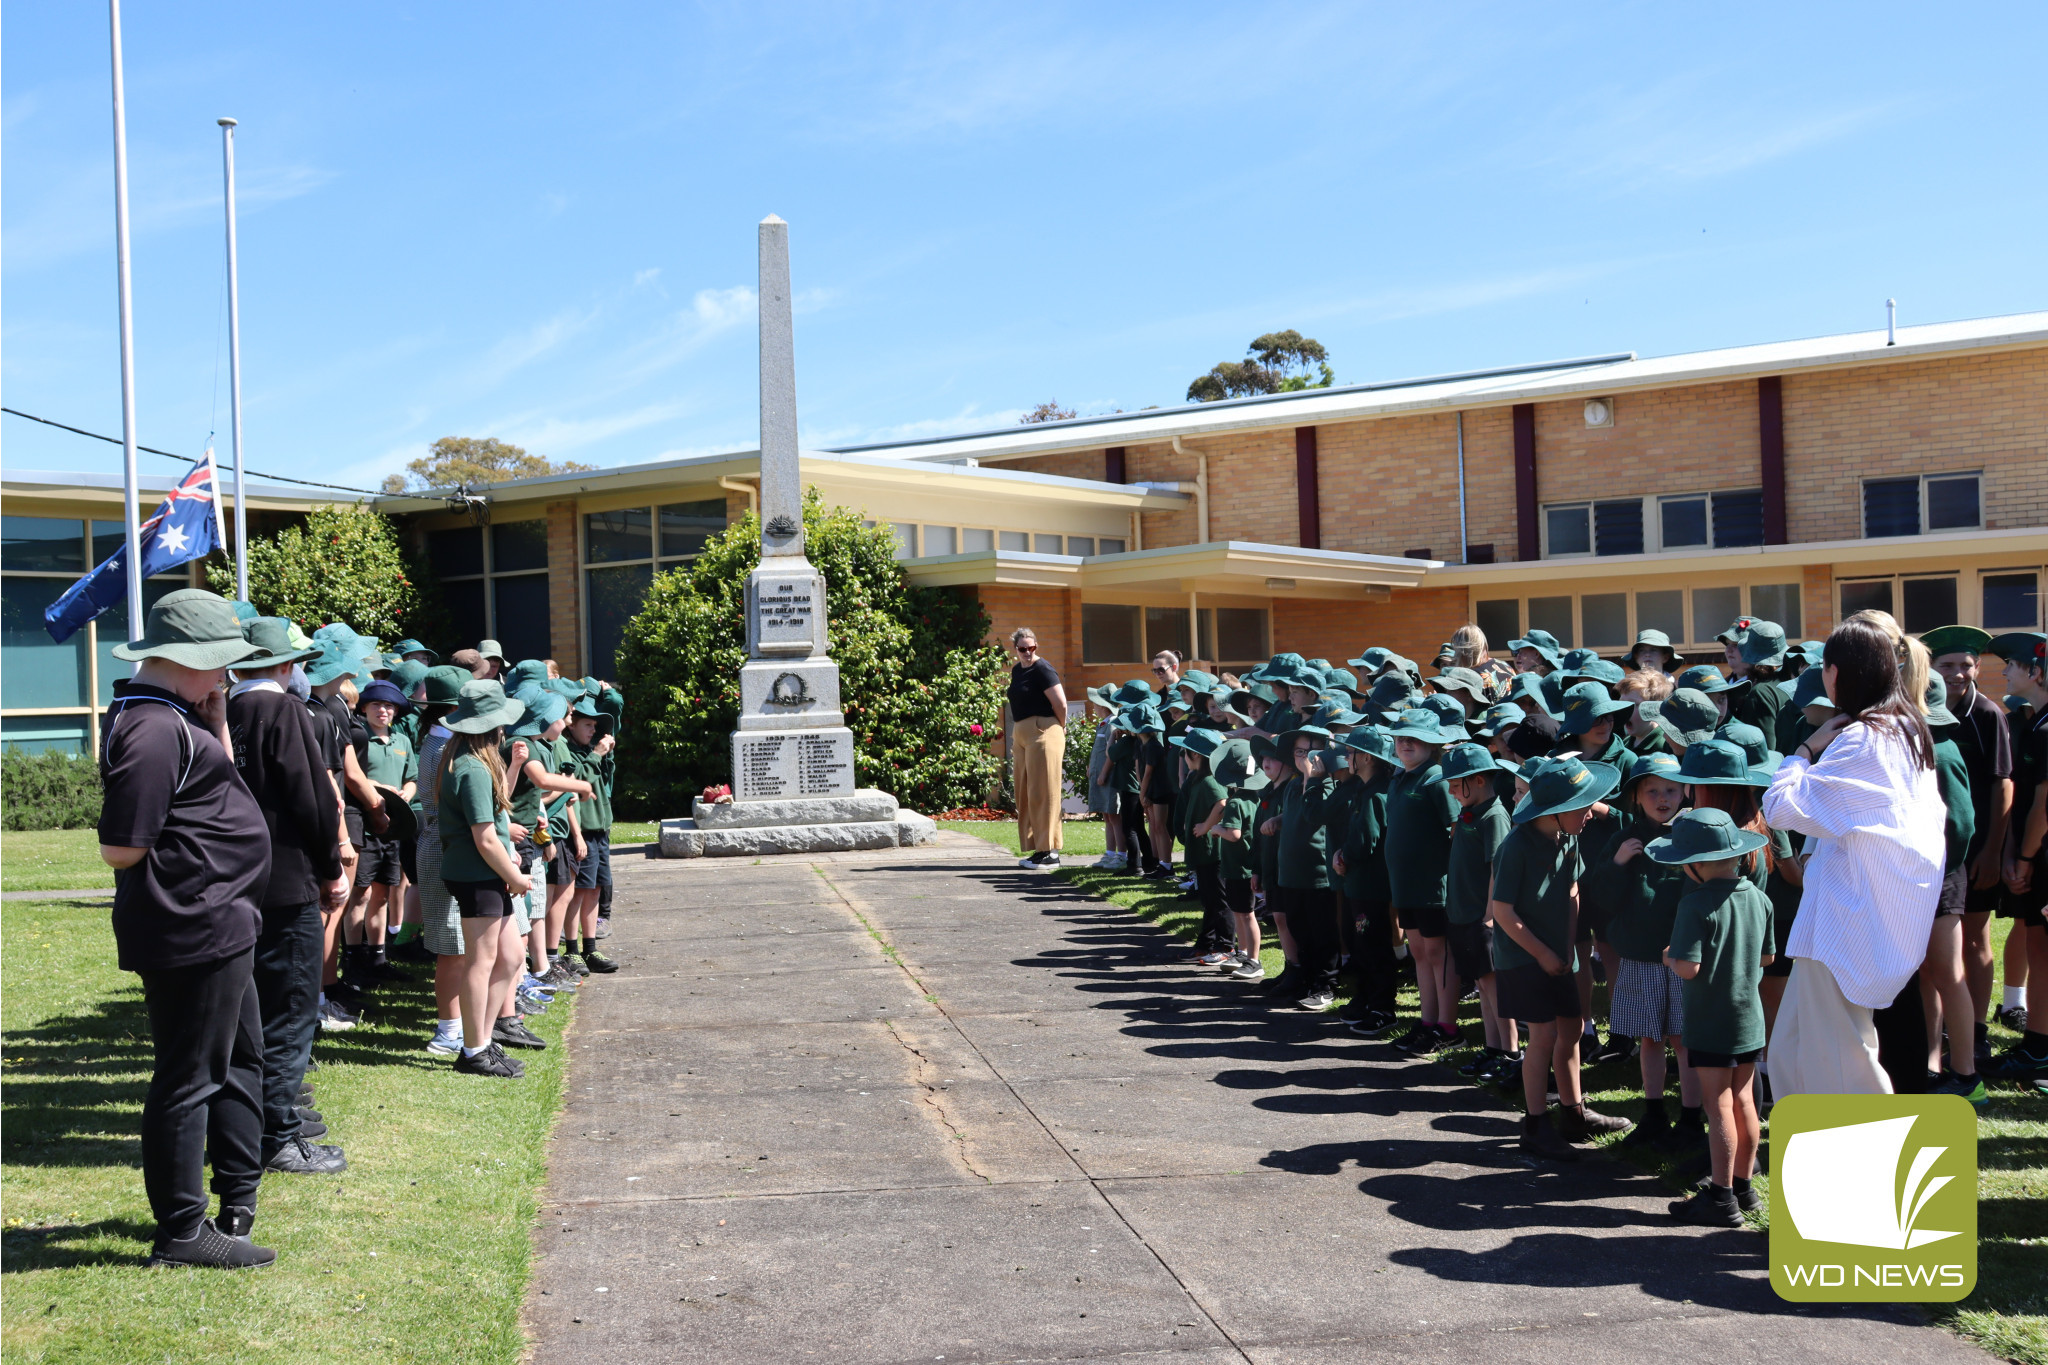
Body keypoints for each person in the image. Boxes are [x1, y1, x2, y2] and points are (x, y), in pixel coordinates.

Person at [98, 590, 277, 1267]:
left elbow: (218, 781)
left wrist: (216, 714)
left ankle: (235, 1198)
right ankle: (180, 1229)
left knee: (236, 1060)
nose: (227, 677)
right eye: (220, 664)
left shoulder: (178, 711)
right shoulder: (149, 726)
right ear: (185, 659)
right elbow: (122, 845)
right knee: (190, 1074)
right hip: (192, 923)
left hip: (220, 920)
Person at [1760, 611, 1944, 1097]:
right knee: (1792, 1052)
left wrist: (1804, 750)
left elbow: (1779, 807)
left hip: (1848, 923)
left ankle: (1866, 1161)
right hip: (1861, 917)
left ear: (1836, 673)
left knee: (1838, 1061)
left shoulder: (1864, 739)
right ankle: (1818, 1156)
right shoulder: (1907, 731)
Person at [226, 618, 351, 1177]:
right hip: (286, 879)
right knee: (290, 1008)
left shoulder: (219, 709)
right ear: (284, 665)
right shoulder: (282, 711)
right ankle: (277, 1132)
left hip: (233, 883)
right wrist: (331, 867)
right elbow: (314, 800)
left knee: (249, 1012)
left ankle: (253, 1123)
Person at [1490, 755, 1630, 1160]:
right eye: (1583, 808)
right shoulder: (1516, 847)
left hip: (1558, 955)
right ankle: (1535, 1125)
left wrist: (1567, 949)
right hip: (1521, 958)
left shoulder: (1568, 839)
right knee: (1544, 1037)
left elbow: (1572, 890)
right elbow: (1503, 912)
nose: (1590, 814)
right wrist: (1543, 953)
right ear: (1556, 812)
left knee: (1572, 1030)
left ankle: (1574, 1112)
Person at [1651, 808, 1775, 1227]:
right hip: (1749, 1019)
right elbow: (1768, 957)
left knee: (1716, 1104)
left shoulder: (1695, 904)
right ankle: (1745, 1188)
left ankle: (1720, 1197)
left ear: (1695, 864)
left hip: (1710, 1020)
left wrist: (1669, 957)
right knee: (1744, 1102)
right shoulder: (1759, 898)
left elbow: (1689, 967)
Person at [1592, 751, 1699, 1149]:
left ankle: (1690, 1118)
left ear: (1686, 791)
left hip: (1683, 958)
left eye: (1670, 789)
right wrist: (1618, 864)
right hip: (1639, 956)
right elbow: (1603, 900)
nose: (1662, 798)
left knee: (1683, 1039)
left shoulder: (1692, 835)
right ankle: (1653, 1113)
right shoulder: (1625, 839)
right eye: (1652, 790)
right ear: (1636, 796)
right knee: (1650, 1039)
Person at [1923, 625, 2016, 1065]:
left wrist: (1992, 850)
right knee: (1934, 954)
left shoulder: (1988, 714)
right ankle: (1936, 1039)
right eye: (1948, 666)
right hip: (1928, 851)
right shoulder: (1924, 711)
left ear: (1978, 667)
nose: (1959, 674)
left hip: (1970, 851)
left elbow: (2003, 785)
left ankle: (1975, 1032)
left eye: (1966, 665)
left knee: (1973, 941)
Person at [436, 681, 532, 1076]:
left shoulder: (468, 758)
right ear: (492, 727)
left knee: (510, 957)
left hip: (483, 872)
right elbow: (485, 837)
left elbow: (493, 824)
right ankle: (473, 1051)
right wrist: (516, 876)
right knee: (482, 960)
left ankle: (483, 1041)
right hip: (476, 874)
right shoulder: (472, 766)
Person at [1984, 631, 2048, 1085]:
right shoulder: (2037, 722)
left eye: (2013, 664)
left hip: (2043, 857)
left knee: (2044, 953)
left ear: (2037, 672)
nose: (2005, 671)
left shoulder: (2045, 728)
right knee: (2039, 951)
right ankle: (2038, 1047)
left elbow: (2044, 802)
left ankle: (2040, 1051)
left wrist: (2024, 857)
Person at [1384, 707, 1465, 1052]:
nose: (1405, 743)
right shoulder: (1399, 777)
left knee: (1437, 951)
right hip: (1406, 885)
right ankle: (1427, 1020)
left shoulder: (1436, 777)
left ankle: (1448, 1027)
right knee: (1418, 950)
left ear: (1432, 744)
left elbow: (1456, 827)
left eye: (1414, 738)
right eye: (1401, 737)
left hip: (1434, 884)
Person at [1921, 679, 1987, 1104]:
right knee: (1925, 974)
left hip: (1942, 876)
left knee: (1948, 973)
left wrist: (1942, 864)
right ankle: (1931, 1063)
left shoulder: (1942, 753)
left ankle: (1966, 1073)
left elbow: (1962, 824)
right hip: (1922, 875)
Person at [1443, 743, 1518, 1082]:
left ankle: (1511, 1052)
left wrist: (1490, 917)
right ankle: (1492, 1048)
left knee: (1496, 988)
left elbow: (1497, 869)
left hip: (1481, 916)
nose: (1451, 790)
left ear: (1476, 780)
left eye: (1456, 783)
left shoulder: (1494, 815)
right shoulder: (1469, 813)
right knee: (1482, 987)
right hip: (1462, 913)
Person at [346, 679, 417, 983]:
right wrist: (377, 789)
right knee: (359, 894)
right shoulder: (359, 737)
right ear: (364, 708)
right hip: (366, 826)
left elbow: (412, 778)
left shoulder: (402, 741)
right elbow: (352, 777)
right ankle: (353, 958)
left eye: (389, 706)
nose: (383, 711)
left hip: (394, 828)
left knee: (384, 893)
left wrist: (406, 794)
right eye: (376, 705)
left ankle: (378, 957)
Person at [1275, 727, 1341, 1010]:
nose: (1306, 758)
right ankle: (1305, 976)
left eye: (1312, 753)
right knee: (1298, 927)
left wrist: (1312, 778)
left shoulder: (1326, 785)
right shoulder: (1291, 784)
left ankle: (1325, 984)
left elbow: (1317, 815)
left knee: (1322, 931)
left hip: (1317, 873)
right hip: (1291, 871)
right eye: (1300, 752)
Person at [561, 696, 621, 973]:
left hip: (599, 830)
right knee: (579, 891)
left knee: (596, 889)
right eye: (587, 724)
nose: (592, 730)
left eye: (594, 725)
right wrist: (596, 754)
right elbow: (575, 781)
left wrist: (603, 756)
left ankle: (590, 948)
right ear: (571, 725)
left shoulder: (590, 751)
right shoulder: (569, 752)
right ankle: (571, 950)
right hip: (582, 832)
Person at [1005, 628, 1068, 870]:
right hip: (1022, 733)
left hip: (1044, 730)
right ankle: (1038, 849)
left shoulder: (1043, 669)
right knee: (1026, 793)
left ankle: (1052, 852)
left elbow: (1060, 703)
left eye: (1032, 648)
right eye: (1023, 649)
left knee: (1044, 792)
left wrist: (1061, 728)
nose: (1028, 653)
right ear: (1016, 649)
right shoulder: (1017, 670)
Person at [1171, 728, 1234, 965]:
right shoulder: (1197, 777)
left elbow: (1222, 803)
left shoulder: (1209, 780)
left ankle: (1226, 946)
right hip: (1203, 852)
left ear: (1195, 755)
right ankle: (1205, 944)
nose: (1183, 757)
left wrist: (1206, 826)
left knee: (1219, 901)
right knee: (1209, 900)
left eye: (1184, 752)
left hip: (1213, 852)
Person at [1205, 740, 1266, 980]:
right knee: (1240, 911)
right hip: (1242, 866)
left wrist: (1217, 829)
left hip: (1239, 867)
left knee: (1246, 913)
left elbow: (1234, 834)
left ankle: (1254, 959)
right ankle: (1242, 953)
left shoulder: (1235, 803)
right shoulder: (1255, 799)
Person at [1083, 685, 1125, 869]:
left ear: (1104, 705)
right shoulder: (1105, 723)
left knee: (1115, 816)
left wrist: (1103, 772)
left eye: (1096, 703)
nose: (1094, 707)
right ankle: (1109, 853)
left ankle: (1121, 855)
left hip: (1109, 777)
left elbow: (1112, 754)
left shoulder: (1113, 723)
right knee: (1107, 816)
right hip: (1100, 776)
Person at [1449, 623, 1515, 698]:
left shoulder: (1472, 678)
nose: (1454, 656)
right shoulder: (1505, 666)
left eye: (1456, 651)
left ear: (1464, 651)